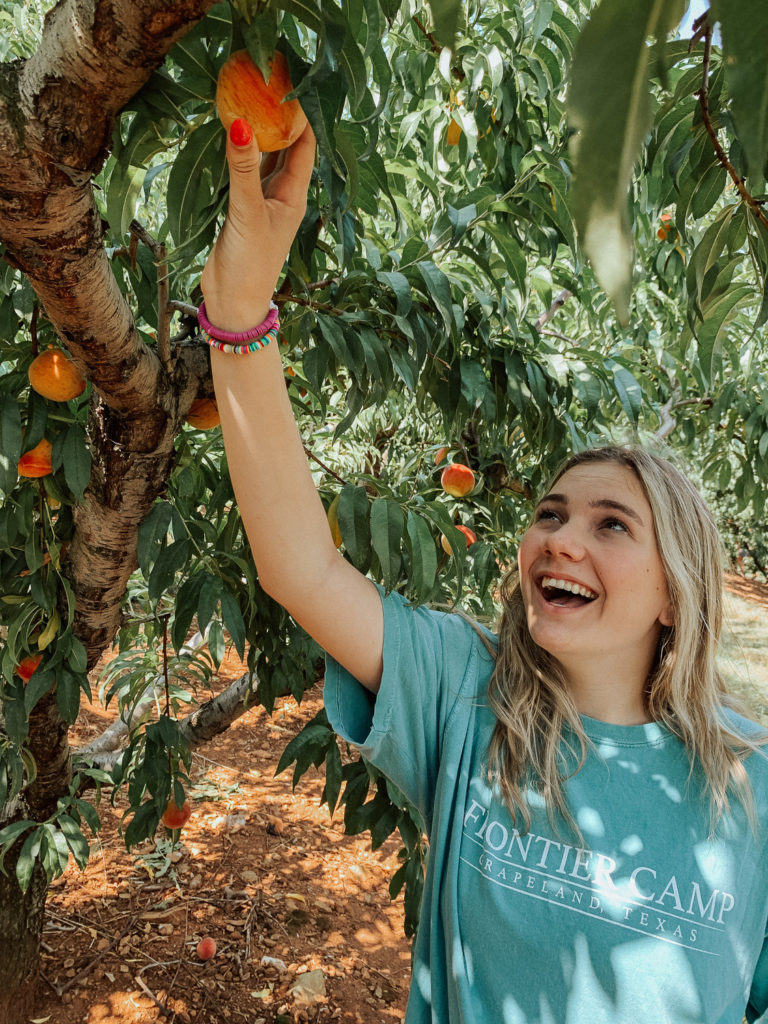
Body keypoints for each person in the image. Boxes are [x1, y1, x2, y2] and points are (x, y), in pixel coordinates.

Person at [201, 119, 768, 1023]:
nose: (560, 539)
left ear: (675, 592)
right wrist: (236, 312)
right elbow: (300, 568)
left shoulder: (752, 786)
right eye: (550, 513)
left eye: (611, 524)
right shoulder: (470, 699)